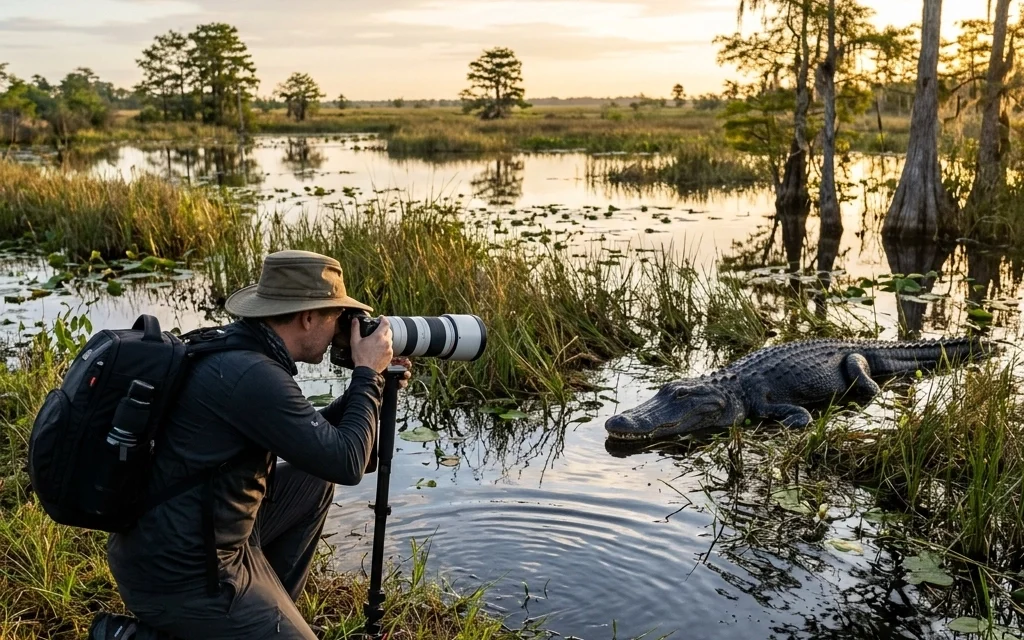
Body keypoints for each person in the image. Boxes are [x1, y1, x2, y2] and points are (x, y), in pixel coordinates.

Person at [96, 249, 409, 640]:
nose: (338, 330)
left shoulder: (240, 353)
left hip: (183, 538)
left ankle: (262, 615)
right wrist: (367, 374)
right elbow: (348, 462)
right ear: (308, 317)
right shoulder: (254, 377)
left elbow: (321, 448)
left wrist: (372, 384)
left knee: (312, 481)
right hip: (181, 574)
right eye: (334, 317)